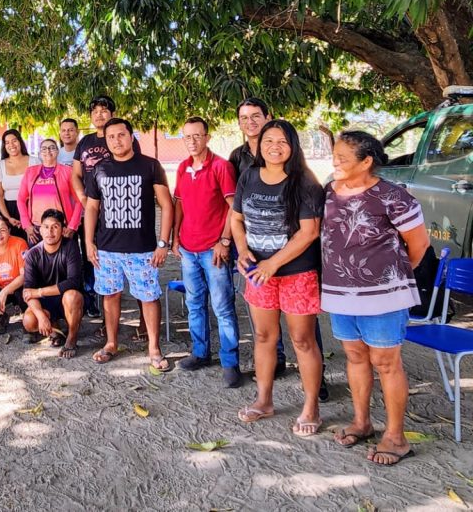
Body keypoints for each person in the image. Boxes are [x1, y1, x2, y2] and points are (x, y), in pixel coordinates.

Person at [322, 131, 429, 466]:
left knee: (386, 362)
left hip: (383, 296)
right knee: (354, 357)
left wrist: (391, 277)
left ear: (366, 162)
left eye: (342, 157)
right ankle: (362, 422)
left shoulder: (393, 197)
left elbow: (419, 245)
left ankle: (396, 437)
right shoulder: (329, 192)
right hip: (340, 293)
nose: (335, 162)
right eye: (334, 156)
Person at [231, 119, 325, 436]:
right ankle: (264, 400)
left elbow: (309, 232)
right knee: (263, 337)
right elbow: (236, 219)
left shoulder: (305, 182)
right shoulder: (249, 176)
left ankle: (311, 407)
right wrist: (243, 250)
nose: (274, 146)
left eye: (282, 141)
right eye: (269, 140)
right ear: (259, 144)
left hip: (297, 272)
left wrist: (272, 264)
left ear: (293, 146)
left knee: (302, 340)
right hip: (259, 272)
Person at [84, 118, 174, 368]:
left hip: (142, 249)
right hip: (106, 249)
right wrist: (89, 242)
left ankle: (154, 348)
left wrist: (163, 243)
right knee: (110, 295)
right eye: (110, 137)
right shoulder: (99, 169)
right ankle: (111, 343)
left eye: (121, 135)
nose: (116, 140)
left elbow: (167, 205)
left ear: (131, 136)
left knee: (148, 296)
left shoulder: (150, 165)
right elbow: (92, 207)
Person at [171, 117, 242, 387]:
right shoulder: (182, 168)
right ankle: (200, 353)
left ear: (207, 137)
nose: (192, 141)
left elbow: (234, 208)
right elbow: (178, 204)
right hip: (188, 249)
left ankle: (230, 362)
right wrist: (174, 237)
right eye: (187, 137)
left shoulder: (221, 167)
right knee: (194, 304)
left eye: (197, 136)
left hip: (214, 250)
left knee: (223, 307)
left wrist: (224, 241)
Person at [72, 95, 121, 319]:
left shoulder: (120, 137)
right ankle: (92, 299)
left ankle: (116, 297)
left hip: (115, 210)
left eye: (104, 110)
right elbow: (76, 174)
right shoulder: (84, 142)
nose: (99, 115)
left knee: (116, 255)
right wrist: (83, 198)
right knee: (89, 253)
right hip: (90, 208)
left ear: (112, 113)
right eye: (95, 112)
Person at [22, 209, 84, 358]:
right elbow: (27, 291)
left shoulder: (71, 247)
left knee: (72, 295)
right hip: (47, 303)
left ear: (63, 229)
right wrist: (41, 317)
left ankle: (71, 338)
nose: (50, 231)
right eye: (46, 227)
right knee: (29, 321)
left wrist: (39, 292)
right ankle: (54, 327)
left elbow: (73, 282)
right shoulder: (33, 254)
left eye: (55, 226)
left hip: (67, 299)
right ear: (40, 230)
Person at [17, 138, 82, 245]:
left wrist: (72, 226)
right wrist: (26, 225)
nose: (48, 151)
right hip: (36, 229)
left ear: (58, 151)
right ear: (39, 153)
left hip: (62, 228)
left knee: (63, 261)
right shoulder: (30, 172)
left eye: (52, 148)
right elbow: (21, 199)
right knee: (38, 261)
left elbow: (79, 200)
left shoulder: (68, 171)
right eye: (44, 149)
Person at [0, 129, 40, 238]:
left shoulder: (34, 162)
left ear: (20, 142)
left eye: (14, 141)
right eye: (7, 142)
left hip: (32, 210)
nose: (11, 145)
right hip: (10, 211)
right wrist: (8, 218)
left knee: (33, 245)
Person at [228, 98, 272, 178]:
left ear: (268, 119)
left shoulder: (282, 150)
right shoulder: (236, 156)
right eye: (244, 118)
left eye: (255, 116)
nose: (250, 122)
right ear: (239, 123)